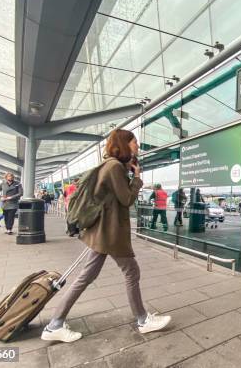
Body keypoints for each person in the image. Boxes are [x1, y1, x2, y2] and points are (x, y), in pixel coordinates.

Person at [41, 129, 170, 343]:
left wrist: (129, 171)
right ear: (124, 143)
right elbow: (126, 199)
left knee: (86, 277)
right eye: (134, 142)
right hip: (110, 233)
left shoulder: (111, 165)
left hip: (102, 233)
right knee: (131, 271)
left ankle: (55, 324)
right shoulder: (114, 167)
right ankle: (142, 320)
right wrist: (136, 178)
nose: (137, 146)